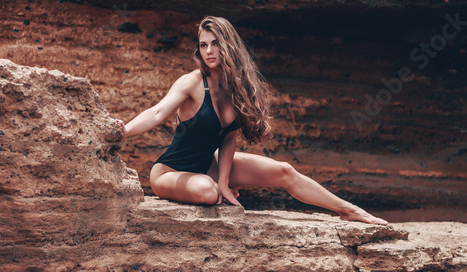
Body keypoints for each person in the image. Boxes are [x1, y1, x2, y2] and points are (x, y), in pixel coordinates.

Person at [116, 16, 388, 225]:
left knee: (285, 171)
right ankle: (212, 185)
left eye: (215, 43)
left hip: (207, 166)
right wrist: (125, 130)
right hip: (169, 173)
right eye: (203, 45)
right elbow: (156, 113)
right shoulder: (192, 83)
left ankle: (350, 210)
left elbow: (229, 138)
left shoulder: (239, 88)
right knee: (208, 192)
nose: (209, 51)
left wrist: (224, 180)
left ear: (228, 45)